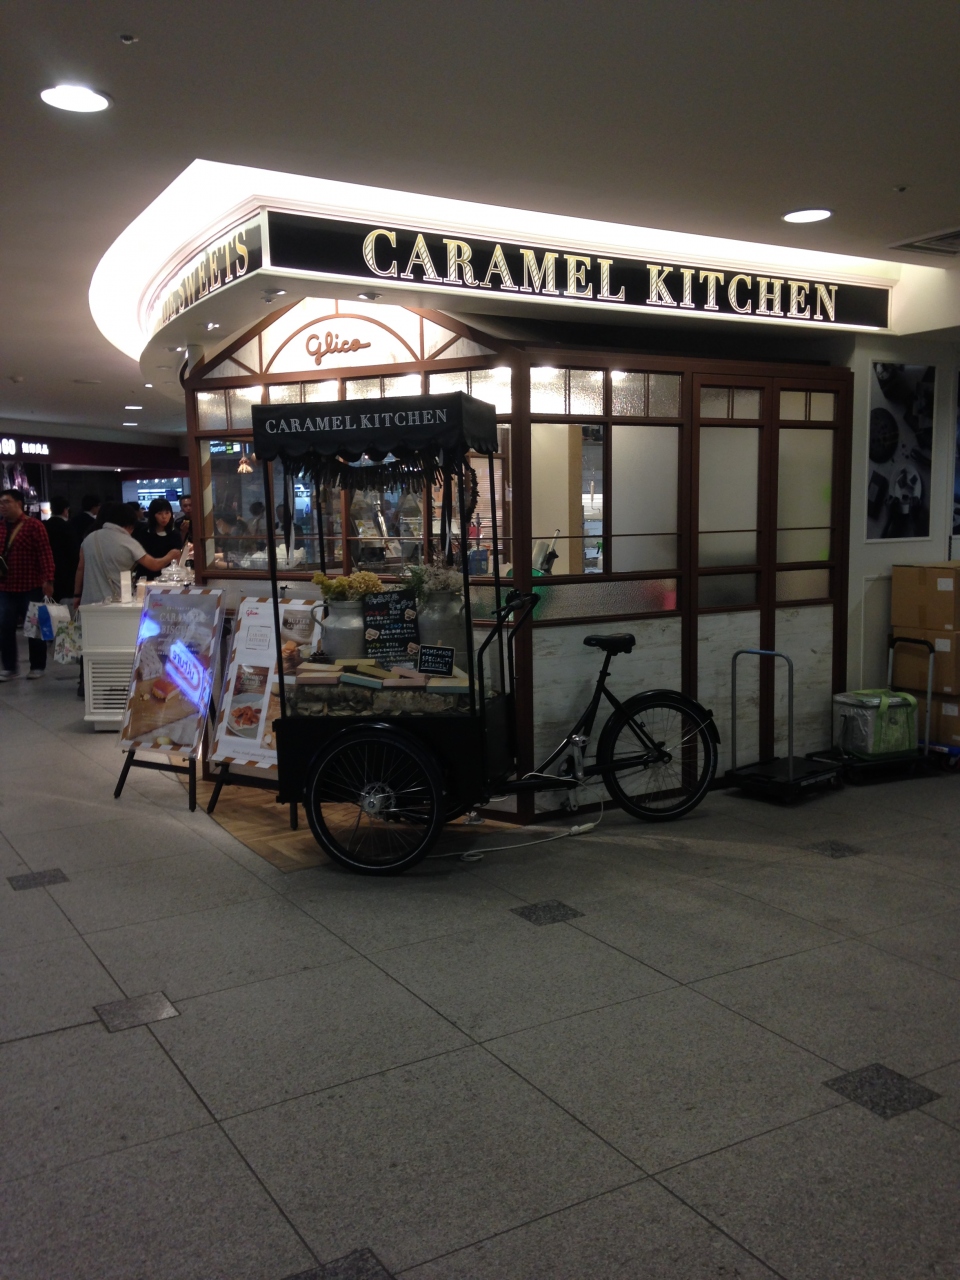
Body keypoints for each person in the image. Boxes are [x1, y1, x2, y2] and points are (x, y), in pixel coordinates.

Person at [74, 501, 180, 607]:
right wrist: (170, 556)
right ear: (129, 523)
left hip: (88, 601)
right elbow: (153, 565)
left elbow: (80, 568)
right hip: (116, 601)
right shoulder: (127, 542)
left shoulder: (90, 537)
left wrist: (77, 595)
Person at [0, 488, 55, 681]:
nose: (2, 506)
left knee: (35, 628)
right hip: (5, 587)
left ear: (19, 504)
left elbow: (45, 553)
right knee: (4, 627)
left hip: (31, 586)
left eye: (6, 502)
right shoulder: (1, 527)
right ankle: (9, 667)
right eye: (1, 503)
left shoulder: (34, 526)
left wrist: (48, 579)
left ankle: (38, 666)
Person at [134, 498, 182, 580]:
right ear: (153, 515)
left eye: (167, 513)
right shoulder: (143, 532)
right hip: (145, 577)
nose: (164, 517)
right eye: (159, 513)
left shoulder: (175, 534)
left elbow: (177, 560)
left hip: (168, 578)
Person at [43, 495, 80, 602]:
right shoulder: (69, 527)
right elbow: (74, 552)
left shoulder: (44, 526)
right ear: (65, 510)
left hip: (47, 573)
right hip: (66, 573)